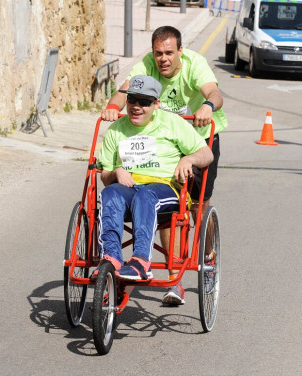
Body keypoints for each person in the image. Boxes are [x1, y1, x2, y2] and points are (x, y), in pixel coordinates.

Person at [101, 26, 227, 305]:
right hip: (153, 137)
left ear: (180, 51)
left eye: (169, 52)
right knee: (166, 211)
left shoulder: (195, 64)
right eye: (158, 53)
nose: (163, 58)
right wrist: (113, 106)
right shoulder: (146, 67)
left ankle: (207, 256)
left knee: (196, 205)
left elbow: (214, 93)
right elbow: (125, 92)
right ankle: (174, 279)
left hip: (197, 133)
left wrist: (207, 105)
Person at [94, 75, 213, 285]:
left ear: (156, 104)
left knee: (145, 195)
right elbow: (105, 176)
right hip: (128, 188)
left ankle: (141, 262)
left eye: (145, 102)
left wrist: (188, 158)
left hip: (165, 188)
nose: (136, 107)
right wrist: (115, 173)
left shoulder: (173, 123)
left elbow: (207, 155)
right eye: (132, 100)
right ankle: (110, 258)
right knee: (109, 193)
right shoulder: (116, 130)